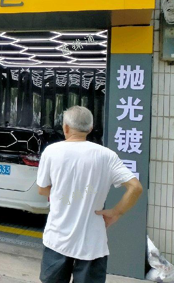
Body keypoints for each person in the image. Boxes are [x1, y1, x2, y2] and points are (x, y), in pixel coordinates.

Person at [37, 106, 143, 283]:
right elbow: (135, 188)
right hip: (93, 242)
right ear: (90, 128)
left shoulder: (51, 151)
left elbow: (42, 189)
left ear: (66, 127)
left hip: (57, 238)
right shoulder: (107, 156)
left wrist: (63, 193)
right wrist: (116, 212)